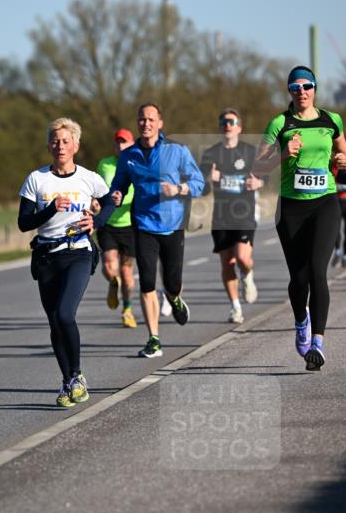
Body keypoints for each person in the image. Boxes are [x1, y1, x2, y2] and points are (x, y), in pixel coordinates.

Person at [253, 66, 346, 370]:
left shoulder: (331, 120)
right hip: (291, 209)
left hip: (324, 203)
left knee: (318, 273)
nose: (302, 91)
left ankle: (317, 344)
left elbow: (345, 155)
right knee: (298, 278)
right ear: (289, 92)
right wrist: (284, 152)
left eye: (307, 86)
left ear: (315, 88)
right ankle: (300, 322)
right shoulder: (280, 123)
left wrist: (344, 159)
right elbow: (258, 167)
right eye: (295, 87)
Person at [17, 117, 117, 407]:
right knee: (54, 322)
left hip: (78, 252)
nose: (60, 145)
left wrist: (96, 221)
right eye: (55, 140)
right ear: (49, 144)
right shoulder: (37, 179)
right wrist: (48, 210)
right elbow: (24, 223)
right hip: (47, 256)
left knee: (64, 314)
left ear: (76, 145)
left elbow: (111, 201)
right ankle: (69, 379)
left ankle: (76, 378)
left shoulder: (88, 178)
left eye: (65, 141)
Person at [110, 103, 205, 358]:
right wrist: (116, 194)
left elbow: (199, 183)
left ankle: (174, 299)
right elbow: (118, 185)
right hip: (143, 225)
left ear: (160, 123)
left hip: (173, 225)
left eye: (151, 119)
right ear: (138, 123)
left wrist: (178, 190)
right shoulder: (128, 156)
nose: (146, 124)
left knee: (172, 282)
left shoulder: (177, 152)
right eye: (142, 120)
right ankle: (153, 338)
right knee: (148, 282)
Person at [199, 109, 265, 324]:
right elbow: (202, 189)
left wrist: (258, 183)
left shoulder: (249, 151)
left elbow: (263, 178)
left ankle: (247, 276)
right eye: (223, 122)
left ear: (239, 127)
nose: (227, 125)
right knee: (227, 264)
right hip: (221, 216)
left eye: (231, 121)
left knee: (243, 258)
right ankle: (235, 307)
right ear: (220, 127)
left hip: (244, 213)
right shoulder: (210, 154)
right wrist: (209, 178)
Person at [95, 129, 138, 328]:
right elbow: (96, 189)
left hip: (130, 224)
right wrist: (95, 203)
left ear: (131, 145)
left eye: (125, 142)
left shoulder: (137, 163)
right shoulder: (104, 164)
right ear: (114, 145)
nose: (121, 146)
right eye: (118, 142)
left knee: (127, 270)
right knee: (108, 264)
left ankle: (127, 309)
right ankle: (114, 282)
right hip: (108, 223)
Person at [331, 138, 346, 268]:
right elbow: (333, 182)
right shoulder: (335, 166)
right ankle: (337, 252)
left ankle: (345, 256)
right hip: (338, 201)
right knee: (335, 230)